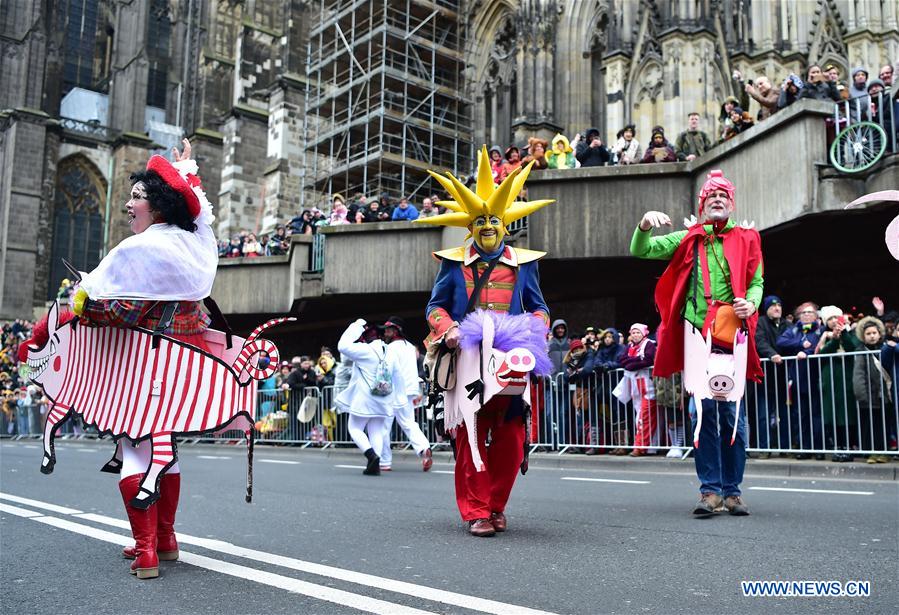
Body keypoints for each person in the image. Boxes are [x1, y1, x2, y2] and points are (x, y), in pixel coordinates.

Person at [65, 139, 218, 579]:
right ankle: (166, 539)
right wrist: (186, 166)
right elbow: (201, 214)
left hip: (143, 371)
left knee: (135, 453)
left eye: (136, 198)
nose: (129, 205)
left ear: (158, 207)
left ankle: (146, 550)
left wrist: (81, 303)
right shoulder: (192, 247)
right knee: (165, 453)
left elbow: (122, 311)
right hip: (180, 369)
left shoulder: (141, 250)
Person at [416, 145, 552, 537]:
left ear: (505, 223)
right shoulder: (453, 261)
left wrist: (534, 330)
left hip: (511, 359)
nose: (487, 226)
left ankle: (495, 504)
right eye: (480, 221)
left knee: (511, 436)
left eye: (493, 219)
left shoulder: (525, 263)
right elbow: (435, 307)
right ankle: (475, 510)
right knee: (469, 434)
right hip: (467, 359)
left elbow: (540, 308)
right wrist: (449, 330)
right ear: (470, 226)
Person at [631, 170, 763, 517]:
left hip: (731, 334)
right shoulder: (689, 238)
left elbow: (757, 280)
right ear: (702, 205)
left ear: (731, 203)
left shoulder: (748, 238)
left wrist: (752, 302)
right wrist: (644, 224)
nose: (717, 200)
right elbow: (642, 251)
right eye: (710, 196)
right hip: (697, 337)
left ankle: (732, 491)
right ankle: (710, 491)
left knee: (733, 414)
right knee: (701, 414)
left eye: (723, 195)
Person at [336, 320, 403, 475]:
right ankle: (375, 464)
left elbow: (342, 346)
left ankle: (371, 455)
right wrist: (400, 398)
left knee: (354, 428)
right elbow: (398, 375)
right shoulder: (390, 352)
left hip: (365, 397)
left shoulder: (364, 350)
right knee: (376, 431)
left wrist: (355, 326)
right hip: (385, 396)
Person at [380, 316, 433, 471]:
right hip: (409, 390)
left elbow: (386, 371)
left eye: (389, 330)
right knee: (409, 423)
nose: (386, 333)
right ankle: (423, 448)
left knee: (383, 427)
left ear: (396, 331)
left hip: (393, 392)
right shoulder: (410, 347)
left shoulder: (390, 348)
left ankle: (385, 461)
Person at [776, 302, 824, 459]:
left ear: (816, 315)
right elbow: (781, 342)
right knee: (800, 415)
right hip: (798, 379)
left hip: (816, 378)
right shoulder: (794, 330)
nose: (806, 315)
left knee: (816, 414)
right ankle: (805, 448)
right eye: (803, 313)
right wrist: (800, 344)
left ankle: (819, 449)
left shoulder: (821, 330)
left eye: (810, 312)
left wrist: (807, 351)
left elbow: (819, 346)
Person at [815, 305, 860, 462]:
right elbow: (821, 354)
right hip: (830, 380)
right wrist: (833, 340)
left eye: (836, 318)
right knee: (832, 414)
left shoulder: (852, 333)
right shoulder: (825, 336)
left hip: (847, 379)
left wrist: (844, 334)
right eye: (830, 319)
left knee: (847, 414)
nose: (834, 321)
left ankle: (849, 447)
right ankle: (837, 447)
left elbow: (852, 348)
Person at [613, 324, 659, 456]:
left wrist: (631, 363)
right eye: (633, 333)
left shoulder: (649, 344)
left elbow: (648, 359)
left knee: (645, 417)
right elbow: (622, 359)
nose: (635, 335)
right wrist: (634, 361)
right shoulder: (630, 346)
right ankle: (646, 446)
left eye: (638, 332)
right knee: (639, 418)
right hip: (635, 387)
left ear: (644, 333)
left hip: (647, 387)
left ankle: (640, 447)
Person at [752, 295, 788, 458]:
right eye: (773, 306)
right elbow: (759, 341)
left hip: (783, 377)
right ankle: (764, 448)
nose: (777, 308)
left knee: (785, 414)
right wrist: (771, 354)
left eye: (779, 305)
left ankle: (786, 448)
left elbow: (793, 342)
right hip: (765, 378)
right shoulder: (760, 322)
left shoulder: (788, 324)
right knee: (763, 415)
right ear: (766, 309)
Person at [852, 317, 891, 464]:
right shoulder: (861, 351)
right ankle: (872, 452)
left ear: (880, 333)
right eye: (868, 333)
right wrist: (862, 395)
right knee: (870, 426)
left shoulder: (886, 348)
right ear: (863, 336)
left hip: (885, 396)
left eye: (874, 332)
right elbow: (859, 375)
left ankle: (884, 452)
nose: (872, 336)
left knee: (884, 425)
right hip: (869, 396)